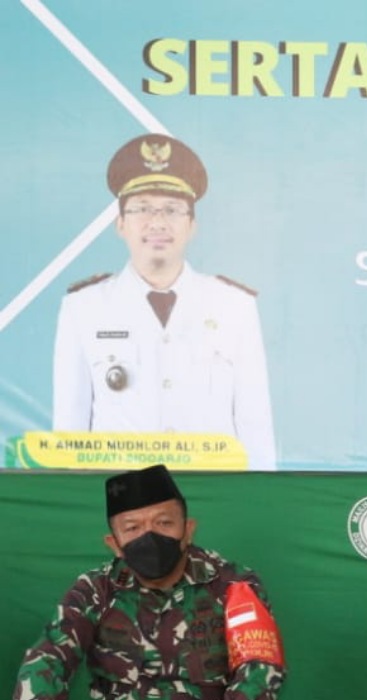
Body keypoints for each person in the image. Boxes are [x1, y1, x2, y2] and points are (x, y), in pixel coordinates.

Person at [2, 464, 300, 700]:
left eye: (164, 523)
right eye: (133, 528)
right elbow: (48, 657)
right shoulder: (95, 588)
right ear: (114, 544)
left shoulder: (234, 584)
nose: (150, 536)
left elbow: (259, 666)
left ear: (187, 530)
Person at [53, 134, 276, 470]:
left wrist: (258, 494)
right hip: (123, 490)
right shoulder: (84, 308)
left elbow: (255, 426)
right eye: (142, 208)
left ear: (192, 225)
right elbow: (70, 429)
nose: (157, 222)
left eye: (172, 210)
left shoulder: (234, 306)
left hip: (211, 487)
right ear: (120, 224)